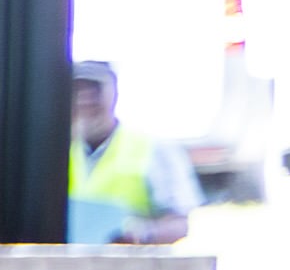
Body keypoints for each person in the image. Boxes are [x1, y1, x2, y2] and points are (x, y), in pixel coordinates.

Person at [69, 63, 200, 248]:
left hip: (130, 262)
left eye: (94, 91)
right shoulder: (54, 150)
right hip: (65, 262)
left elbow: (180, 224)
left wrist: (142, 235)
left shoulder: (155, 149)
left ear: (114, 94)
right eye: (78, 91)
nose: (85, 100)